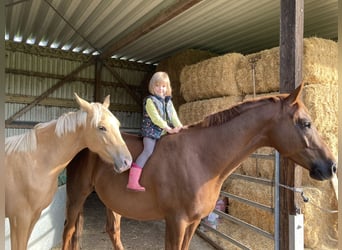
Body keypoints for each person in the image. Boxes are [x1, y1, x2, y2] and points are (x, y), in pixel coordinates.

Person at [127, 71, 184, 191]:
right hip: (151, 132)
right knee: (148, 151)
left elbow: (173, 116)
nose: (161, 89)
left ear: (167, 87)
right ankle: (133, 181)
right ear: (152, 86)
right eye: (157, 86)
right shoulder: (150, 100)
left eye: (163, 86)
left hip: (164, 132)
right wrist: (168, 128)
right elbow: (155, 118)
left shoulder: (168, 101)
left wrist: (180, 127)